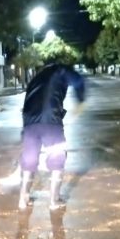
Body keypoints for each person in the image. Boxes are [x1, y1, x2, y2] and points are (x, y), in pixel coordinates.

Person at [17, 62, 85, 210]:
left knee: (29, 159)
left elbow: (27, 99)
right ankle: (54, 201)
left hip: (29, 121)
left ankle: (23, 198)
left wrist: (25, 128)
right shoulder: (61, 70)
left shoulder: (36, 77)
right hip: (51, 120)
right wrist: (81, 100)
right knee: (57, 159)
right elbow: (78, 80)